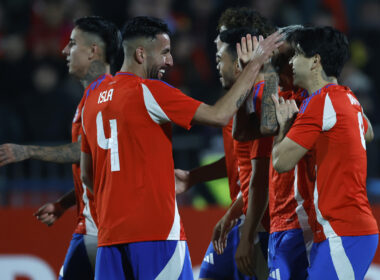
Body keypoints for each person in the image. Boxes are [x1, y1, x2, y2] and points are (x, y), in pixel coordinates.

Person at [80, 16, 282, 280]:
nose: (170, 61)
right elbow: (219, 115)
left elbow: (87, 175)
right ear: (141, 54)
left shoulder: (91, 101)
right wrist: (255, 65)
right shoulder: (150, 91)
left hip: (109, 236)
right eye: (164, 53)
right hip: (156, 234)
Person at [0, 16, 121, 280]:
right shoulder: (90, 97)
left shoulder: (108, 95)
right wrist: (64, 203)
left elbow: (88, 150)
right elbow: (96, 167)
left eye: (73, 44)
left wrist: (28, 151)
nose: (65, 51)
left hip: (107, 231)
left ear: (93, 51)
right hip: (89, 226)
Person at [176, 8, 275, 280]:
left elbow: (263, 173)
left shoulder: (264, 96)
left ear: (244, 51)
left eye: (220, 55)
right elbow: (239, 159)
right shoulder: (238, 98)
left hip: (261, 223)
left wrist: (233, 217)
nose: (216, 61)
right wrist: (194, 177)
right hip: (242, 217)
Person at [271, 26, 378, 279]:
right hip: (343, 231)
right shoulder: (348, 98)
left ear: (315, 61)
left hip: (345, 232)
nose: (291, 61)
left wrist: (285, 126)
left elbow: (280, 162)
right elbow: (368, 132)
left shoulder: (321, 102)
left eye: (297, 54)